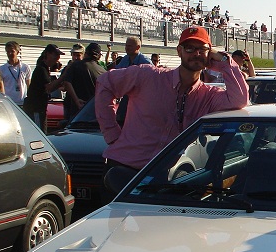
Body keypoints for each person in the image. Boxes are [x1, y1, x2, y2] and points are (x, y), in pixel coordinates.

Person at [95, 26, 248, 173]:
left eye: (202, 49)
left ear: (209, 54)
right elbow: (105, 82)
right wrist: (111, 133)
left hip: (161, 174)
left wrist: (223, 62)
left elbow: (239, 99)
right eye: (189, 48)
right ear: (179, 51)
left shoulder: (207, 95)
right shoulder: (148, 75)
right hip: (123, 168)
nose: (196, 53)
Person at [23, 44, 77, 133]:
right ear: (48, 54)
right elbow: (49, 88)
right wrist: (63, 76)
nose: (58, 58)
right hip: (35, 108)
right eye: (55, 55)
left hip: (41, 108)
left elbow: (51, 87)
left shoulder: (46, 68)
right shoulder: (41, 69)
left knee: (43, 132)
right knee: (38, 133)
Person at [61, 42, 106, 116]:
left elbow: (66, 83)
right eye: (74, 55)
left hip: (76, 109)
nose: (76, 57)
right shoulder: (102, 71)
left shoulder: (74, 66)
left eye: (78, 55)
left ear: (85, 54)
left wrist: (76, 101)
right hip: (90, 109)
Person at [0, 41, 31, 105]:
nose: (10, 53)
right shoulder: (2, 69)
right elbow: (1, 88)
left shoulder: (25, 67)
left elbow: (29, 85)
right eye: (8, 52)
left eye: (12, 51)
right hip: (9, 103)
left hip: (23, 103)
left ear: (17, 52)